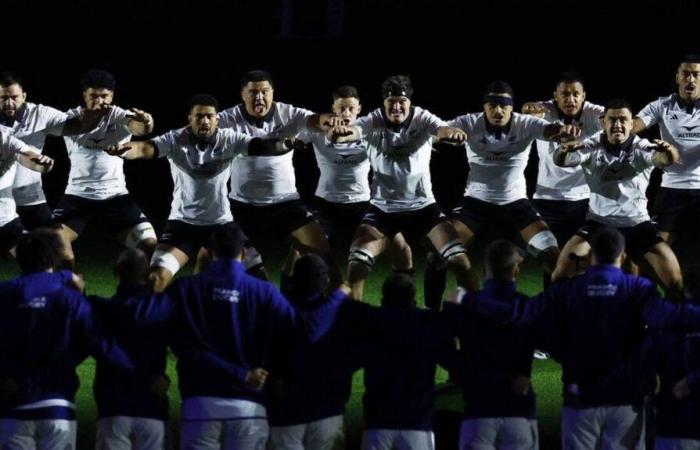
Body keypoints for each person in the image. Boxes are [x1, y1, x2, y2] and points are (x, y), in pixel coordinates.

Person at [453, 227, 700, 450]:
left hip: (580, 399)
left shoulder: (567, 290)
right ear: (622, 257)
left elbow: (520, 313)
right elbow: (671, 319)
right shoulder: (638, 288)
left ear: (590, 257)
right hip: (626, 401)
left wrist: (468, 299)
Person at [167, 223, 347, 450]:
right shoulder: (263, 291)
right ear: (243, 253)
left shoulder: (183, 288)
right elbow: (305, 329)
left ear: (210, 252)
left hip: (200, 405)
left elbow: (175, 340)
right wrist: (338, 297)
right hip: (248, 406)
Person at [106, 93, 299, 292]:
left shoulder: (229, 138)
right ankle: (154, 318)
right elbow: (145, 148)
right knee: (156, 279)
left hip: (221, 225)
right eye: (199, 116)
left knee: (259, 277)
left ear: (217, 119)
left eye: (209, 116)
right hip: (182, 225)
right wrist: (124, 149)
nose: (205, 121)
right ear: (190, 118)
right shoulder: (175, 139)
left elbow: (260, 145)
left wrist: (285, 144)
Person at [331, 74, 478, 300]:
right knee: (356, 265)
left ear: (410, 102)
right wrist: (339, 134)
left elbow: (441, 129)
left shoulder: (422, 117)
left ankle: (468, 321)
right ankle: (356, 321)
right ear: (384, 103)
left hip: (423, 208)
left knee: (460, 261)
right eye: (392, 102)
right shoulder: (373, 120)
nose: (397, 107)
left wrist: (451, 133)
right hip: (382, 210)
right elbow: (351, 131)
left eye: (402, 101)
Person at [0, 228, 134, 449]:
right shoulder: (70, 298)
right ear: (54, 257)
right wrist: (138, 374)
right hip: (57, 405)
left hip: (14, 408)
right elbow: (100, 343)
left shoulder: (5, 294)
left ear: (20, 259)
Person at [552, 99, 683, 299]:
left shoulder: (642, 147)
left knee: (675, 283)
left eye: (623, 120)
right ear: (603, 121)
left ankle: (674, 326)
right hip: (598, 224)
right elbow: (563, 161)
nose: (618, 125)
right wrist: (563, 151)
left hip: (638, 225)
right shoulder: (591, 145)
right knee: (560, 276)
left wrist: (669, 151)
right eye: (612, 119)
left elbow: (664, 159)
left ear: (632, 124)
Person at [219, 69, 336, 281]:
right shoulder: (227, 119)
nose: (259, 97)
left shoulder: (287, 113)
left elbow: (313, 120)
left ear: (273, 92)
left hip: (285, 203)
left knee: (322, 252)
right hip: (244, 206)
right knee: (252, 274)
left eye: (264, 91)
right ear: (242, 94)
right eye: (253, 92)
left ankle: (340, 308)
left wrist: (328, 120)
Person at [53, 68, 157, 269]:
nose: (99, 101)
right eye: (93, 96)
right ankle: (72, 291)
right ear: (84, 95)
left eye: (104, 96)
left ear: (112, 95)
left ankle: (134, 293)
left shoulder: (120, 117)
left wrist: (147, 121)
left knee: (150, 244)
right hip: (77, 198)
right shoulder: (73, 118)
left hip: (115, 197)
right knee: (54, 243)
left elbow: (141, 128)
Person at [268, 254, 368, 450]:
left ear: (294, 280)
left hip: (285, 417)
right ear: (326, 282)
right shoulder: (338, 318)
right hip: (327, 414)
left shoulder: (276, 312)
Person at [446, 240, 538, 450]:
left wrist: (461, 371)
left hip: (478, 408)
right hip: (519, 408)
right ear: (516, 270)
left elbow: (441, 345)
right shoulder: (527, 306)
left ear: (484, 269)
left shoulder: (461, 306)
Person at [522, 72, 604, 285]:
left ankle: (579, 309)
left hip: (583, 200)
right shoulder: (545, 110)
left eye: (576, 94)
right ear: (555, 96)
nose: (571, 99)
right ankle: (552, 310)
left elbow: (612, 119)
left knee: (583, 261)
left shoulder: (593, 113)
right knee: (551, 262)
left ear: (584, 95)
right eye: (565, 94)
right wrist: (531, 109)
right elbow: (529, 109)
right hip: (547, 199)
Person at [0, 71, 108, 229]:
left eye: (14, 97)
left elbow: (77, 125)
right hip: (1, 202)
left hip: (30, 199)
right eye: (3, 98)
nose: (9, 103)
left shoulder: (39, 114)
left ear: (24, 96)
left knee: (54, 246)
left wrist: (95, 115)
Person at [360, 273, 456, 450]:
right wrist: (452, 312)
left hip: (378, 424)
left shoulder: (371, 321)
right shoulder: (428, 323)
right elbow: (454, 363)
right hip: (417, 425)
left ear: (384, 297)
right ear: (412, 297)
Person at [89, 248, 171, 450]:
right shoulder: (163, 308)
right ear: (147, 275)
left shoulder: (98, 308)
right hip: (152, 408)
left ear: (117, 272)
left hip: (113, 409)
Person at [633, 54, 700, 252]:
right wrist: (618, 125)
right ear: (677, 77)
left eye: (696, 75)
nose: (691, 79)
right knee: (654, 247)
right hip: (671, 187)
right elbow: (635, 125)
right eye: (686, 74)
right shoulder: (662, 105)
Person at [0, 130, 55, 257]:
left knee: (38, 257)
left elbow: (28, 157)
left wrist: (43, 165)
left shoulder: (8, 140)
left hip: (5, 220)